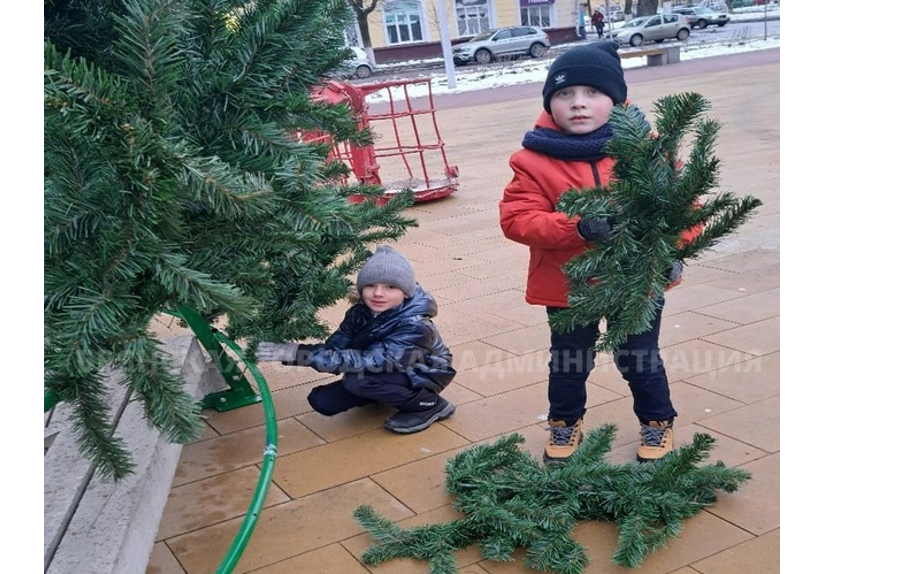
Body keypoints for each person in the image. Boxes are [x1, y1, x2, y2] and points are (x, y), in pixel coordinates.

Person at [498, 43, 699, 465]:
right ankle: (564, 421)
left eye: (592, 93)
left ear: (617, 99)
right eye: (565, 94)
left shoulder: (649, 151)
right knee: (569, 361)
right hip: (568, 286)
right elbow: (517, 219)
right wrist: (577, 227)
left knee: (640, 358)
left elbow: (685, 208)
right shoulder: (532, 160)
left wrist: (670, 249)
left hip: (635, 283)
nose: (578, 104)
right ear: (550, 102)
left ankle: (657, 422)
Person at [255, 245, 457, 434]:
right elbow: (335, 347)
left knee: (358, 382)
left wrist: (300, 353)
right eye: (370, 285)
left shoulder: (415, 324)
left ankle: (430, 405)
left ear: (405, 292)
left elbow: (375, 360)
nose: (378, 293)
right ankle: (379, 391)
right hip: (386, 366)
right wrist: (291, 352)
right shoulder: (360, 311)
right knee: (323, 401)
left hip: (424, 371)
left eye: (390, 287)